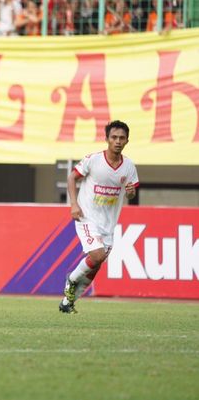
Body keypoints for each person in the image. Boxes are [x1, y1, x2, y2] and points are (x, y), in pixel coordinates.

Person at [59, 120, 139, 314]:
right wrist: (73, 205)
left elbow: (131, 194)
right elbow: (72, 177)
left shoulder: (128, 167)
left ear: (127, 140)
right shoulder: (93, 160)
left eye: (121, 138)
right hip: (86, 217)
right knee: (96, 255)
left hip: (108, 225)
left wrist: (130, 192)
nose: (117, 141)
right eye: (114, 137)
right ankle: (70, 280)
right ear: (106, 139)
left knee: (94, 266)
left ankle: (67, 302)